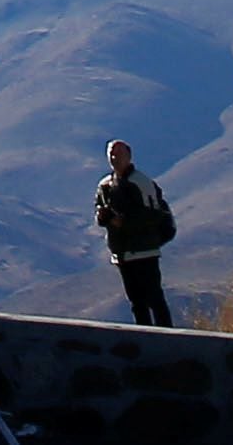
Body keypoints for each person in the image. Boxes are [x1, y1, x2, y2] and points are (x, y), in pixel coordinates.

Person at [92, 139, 176, 326]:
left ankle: (166, 337)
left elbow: (153, 216)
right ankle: (145, 337)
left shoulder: (141, 182)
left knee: (154, 298)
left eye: (119, 154)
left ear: (129, 156)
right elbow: (99, 212)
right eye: (111, 154)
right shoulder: (105, 185)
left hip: (145, 250)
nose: (114, 158)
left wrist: (122, 222)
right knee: (136, 302)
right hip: (122, 253)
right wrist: (104, 217)